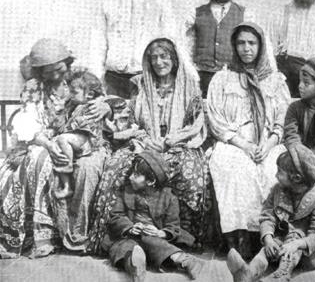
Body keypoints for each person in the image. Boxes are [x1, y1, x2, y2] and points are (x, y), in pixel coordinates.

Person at [88, 37, 213, 254]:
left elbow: (196, 123)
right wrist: (145, 139)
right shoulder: (141, 84)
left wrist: (174, 140)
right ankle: (119, 234)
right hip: (145, 140)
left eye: (163, 56)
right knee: (117, 166)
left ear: (173, 59)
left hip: (179, 143)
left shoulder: (189, 85)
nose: (158, 62)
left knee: (192, 175)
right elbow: (132, 118)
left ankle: (181, 238)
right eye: (153, 57)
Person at [0, 39, 110, 258]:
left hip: (87, 138)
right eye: (48, 72)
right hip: (49, 140)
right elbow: (30, 123)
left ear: (66, 62)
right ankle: (43, 234)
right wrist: (50, 144)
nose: (56, 75)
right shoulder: (36, 88)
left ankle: (78, 235)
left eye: (59, 68)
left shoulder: (81, 78)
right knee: (39, 160)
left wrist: (105, 104)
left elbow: (101, 99)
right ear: (41, 72)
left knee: (87, 167)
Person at [207, 22, 291, 259]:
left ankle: (271, 236)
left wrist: (269, 143)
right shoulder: (223, 79)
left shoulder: (275, 80)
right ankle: (241, 240)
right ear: (234, 46)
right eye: (241, 43)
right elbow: (216, 119)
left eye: (252, 43)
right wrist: (244, 145)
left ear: (261, 46)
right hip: (235, 141)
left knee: (273, 170)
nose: (246, 49)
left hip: (268, 141)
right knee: (234, 168)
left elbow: (283, 119)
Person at [226, 144, 315, 282]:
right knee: (267, 249)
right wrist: (268, 238)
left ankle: (281, 274)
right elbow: (267, 216)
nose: (276, 175)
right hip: (280, 241)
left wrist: (297, 244)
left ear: (296, 178)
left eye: (280, 172)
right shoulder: (277, 190)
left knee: (294, 238)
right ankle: (249, 272)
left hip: (307, 253)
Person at [89, 0, 179, 98]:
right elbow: (98, 43)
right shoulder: (107, 1)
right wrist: (96, 79)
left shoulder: (160, 1)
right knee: (114, 119)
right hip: (113, 80)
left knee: (144, 119)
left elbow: (170, 41)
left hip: (147, 78)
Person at [101, 151, 206, 282]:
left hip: (153, 240)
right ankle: (135, 266)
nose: (130, 177)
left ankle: (184, 261)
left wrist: (161, 233)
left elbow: (173, 225)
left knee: (153, 243)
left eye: (136, 175)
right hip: (129, 237)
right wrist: (129, 227)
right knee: (123, 248)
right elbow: (116, 216)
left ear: (150, 181)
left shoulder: (169, 198)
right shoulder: (127, 192)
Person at [185, 0, 261, 97]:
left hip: (234, 81)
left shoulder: (245, 15)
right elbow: (186, 48)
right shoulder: (195, 14)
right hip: (201, 80)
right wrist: (192, 75)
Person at [54, 70, 107, 199]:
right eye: (70, 91)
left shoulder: (92, 106)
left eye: (74, 92)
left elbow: (85, 125)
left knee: (61, 139)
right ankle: (67, 187)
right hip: (77, 137)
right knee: (58, 145)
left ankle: (67, 167)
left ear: (89, 94)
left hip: (88, 140)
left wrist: (70, 127)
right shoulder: (74, 105)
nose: (70, 95)